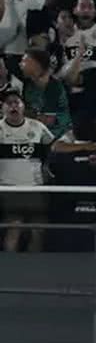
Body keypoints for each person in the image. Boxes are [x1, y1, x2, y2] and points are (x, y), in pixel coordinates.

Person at [0, 90, 54, 253]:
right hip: (9, 188)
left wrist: (47, 170)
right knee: (14, 228)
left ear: (23, 106)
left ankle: (34, 272)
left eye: (17, 102)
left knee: (38, 230)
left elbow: (53, 149)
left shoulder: (37, 127)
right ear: (2, 108)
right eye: (9, 103)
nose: (13, 106)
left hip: (35, 187)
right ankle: (10, 271)